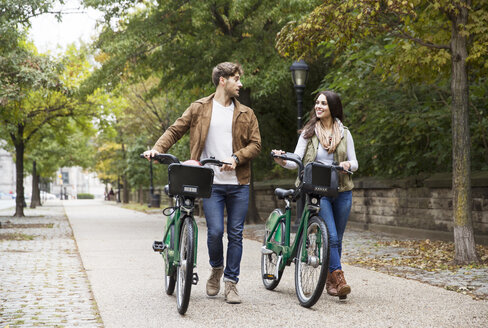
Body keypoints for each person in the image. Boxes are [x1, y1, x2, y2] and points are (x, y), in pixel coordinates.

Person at [144, 62, 261, 304]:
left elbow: (256, 145)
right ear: (222, 80)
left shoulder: (246, 113)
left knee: (236, 235)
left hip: (238, 182)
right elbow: (175, 130)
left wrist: (237, 158)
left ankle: (231, 283)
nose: (240, 84)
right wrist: (157, 149)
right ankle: (216, 268)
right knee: (216, 232)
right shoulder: (199, 108)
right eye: (236, 79)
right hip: (211, 182)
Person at [272, 90, 358, 299]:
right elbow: (297, 160)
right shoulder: (308, 133)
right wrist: (282, 160)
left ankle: (329, 280)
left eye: (323, 103)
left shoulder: (345, 133)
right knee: (333, 237)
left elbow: (355, 163)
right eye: (317, 103)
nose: (318, 106)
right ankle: (339, 278)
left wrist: (347, 164)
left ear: (333, 107)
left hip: (342, 190)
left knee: (336, 238)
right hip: (319, 192)